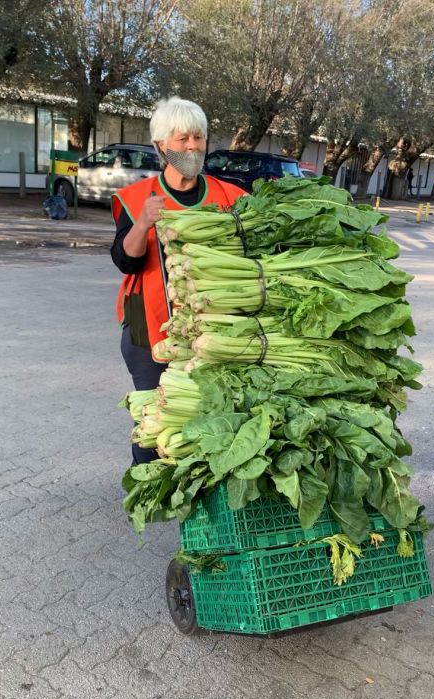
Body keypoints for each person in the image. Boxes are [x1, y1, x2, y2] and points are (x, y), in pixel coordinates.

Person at [111, 97, 246, 465]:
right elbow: (125, 261)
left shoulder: (231, 198)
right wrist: (142, 224)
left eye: (198, 138)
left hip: (214, 324)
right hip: (147, 322)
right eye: (182, 138)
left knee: (207, 407)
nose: (192, 147)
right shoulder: (135, 197)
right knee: (158, 410)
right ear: (161, 146)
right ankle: (149, 482)